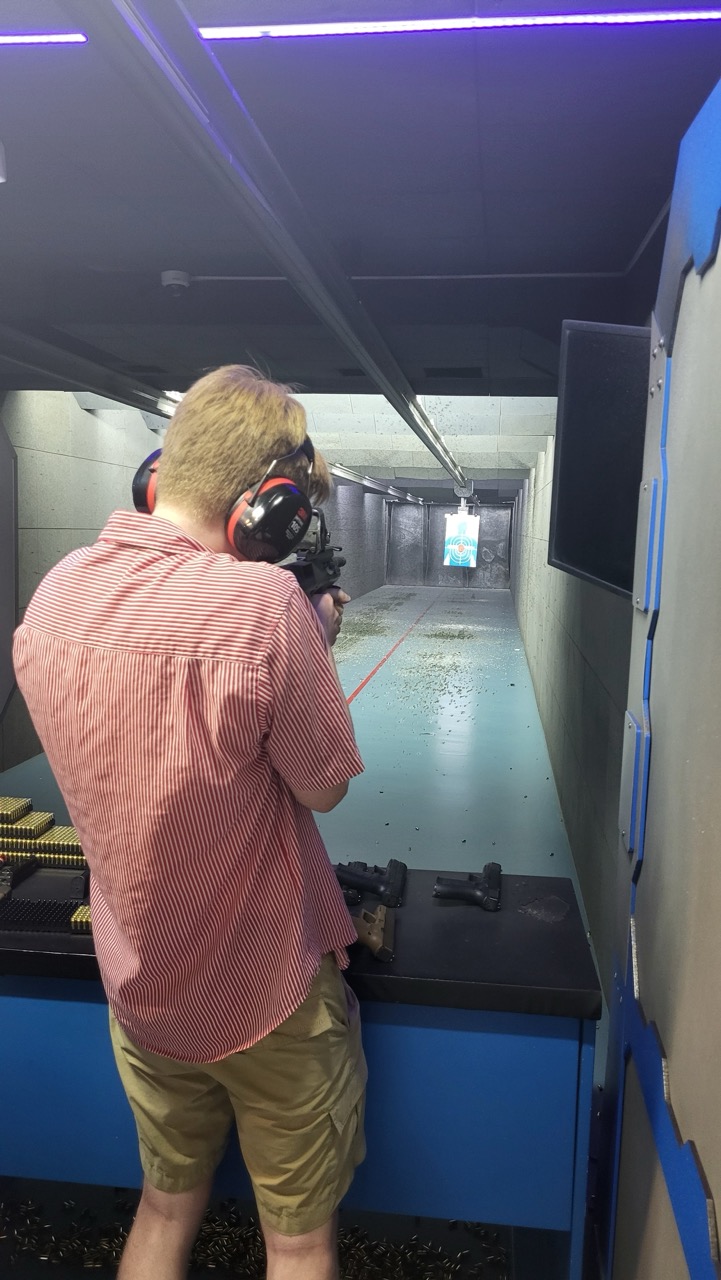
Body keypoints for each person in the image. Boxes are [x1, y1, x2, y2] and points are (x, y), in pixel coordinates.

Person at [13, 366, 366, 1280]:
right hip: (264, 991)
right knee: (297, 1242)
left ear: (158, 475)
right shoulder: (266, 607)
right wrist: (313, 640)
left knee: (165, 1207)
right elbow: (322, 787)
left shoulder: (56, 593)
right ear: (267, 507)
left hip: (141, 988)